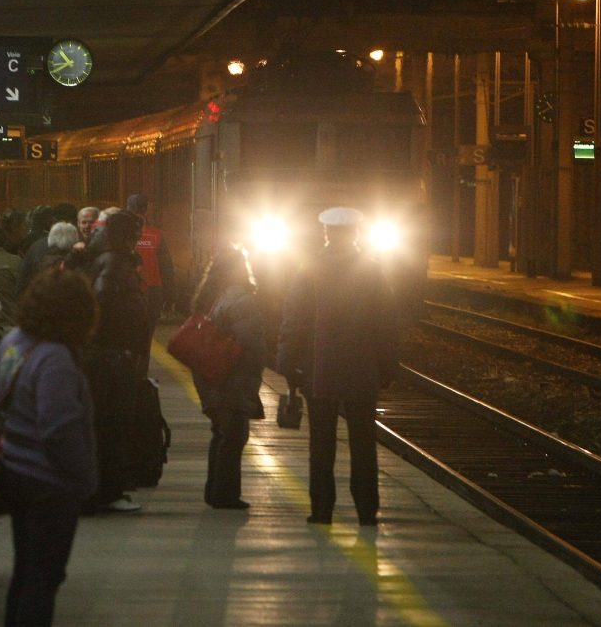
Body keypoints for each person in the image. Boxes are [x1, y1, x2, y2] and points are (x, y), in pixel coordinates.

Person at [276, 206, 399, 526]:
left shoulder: (309, 269)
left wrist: (287, 362)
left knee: (321, 443)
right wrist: (387, 367)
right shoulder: (372, 271)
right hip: (362, 371)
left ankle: (321, 510)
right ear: (356, 235)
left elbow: (294, 320)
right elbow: (387, 323)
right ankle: (367, 511)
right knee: (363, 444)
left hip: (321, 372)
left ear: (327, 234)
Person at [0, 267, 99, 627]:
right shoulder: (54, 358)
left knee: (25, 571)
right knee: (44, 578)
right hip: (48, 483)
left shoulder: (12, 343)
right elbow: (58, 428)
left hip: (15, 472)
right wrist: (85, 477)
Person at [82, 210, 149, 512]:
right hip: (111, 358)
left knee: (108, 424)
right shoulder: (114, 263)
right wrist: (122, 347)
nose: (137, 239)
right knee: (112, 424)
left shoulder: (107, 259)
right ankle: (108, 491)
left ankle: (105, 489)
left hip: (109, 355)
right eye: (135, 233)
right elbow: (107, 306)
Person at [190, 247, 267, 509]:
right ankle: (226, 495)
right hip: (232, 377)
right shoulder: (241, 299)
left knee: (220, 434)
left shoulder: (212, 296)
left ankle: (214, 491)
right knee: (233, 436)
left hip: (211, 374)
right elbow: (252, 344)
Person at [125, 193, 175, 372]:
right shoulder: (156, 235)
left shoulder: (118, 233)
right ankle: (141, 374)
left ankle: (128, 370)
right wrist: (170, 297)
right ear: (145, 210)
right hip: (152, 292)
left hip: (126, 292)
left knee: (126, 334)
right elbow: (166, 268)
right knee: (145, 338)